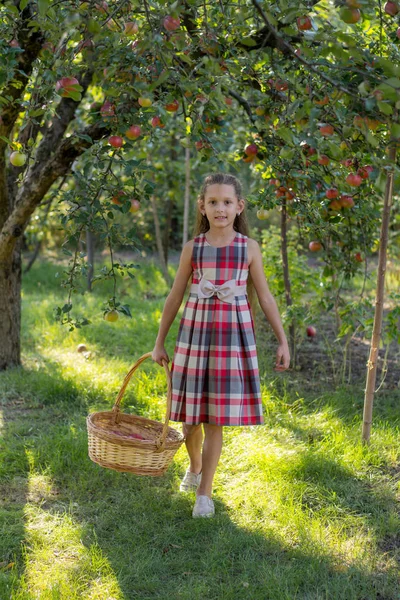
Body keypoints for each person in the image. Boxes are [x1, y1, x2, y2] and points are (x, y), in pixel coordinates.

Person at [151, 173, 290, 518]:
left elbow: (267, 297)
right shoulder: (193, 248)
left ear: (239, 206)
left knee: (215, 419)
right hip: (195, 336)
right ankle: (194, 465)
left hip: (231, 338)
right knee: (188, 420)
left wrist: (283, 341)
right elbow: (174, 296)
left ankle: (204, 493)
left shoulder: (248, 248)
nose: (220, 208)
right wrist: (159, 342)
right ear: (203, 206)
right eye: (213, 202)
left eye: (227, 202)